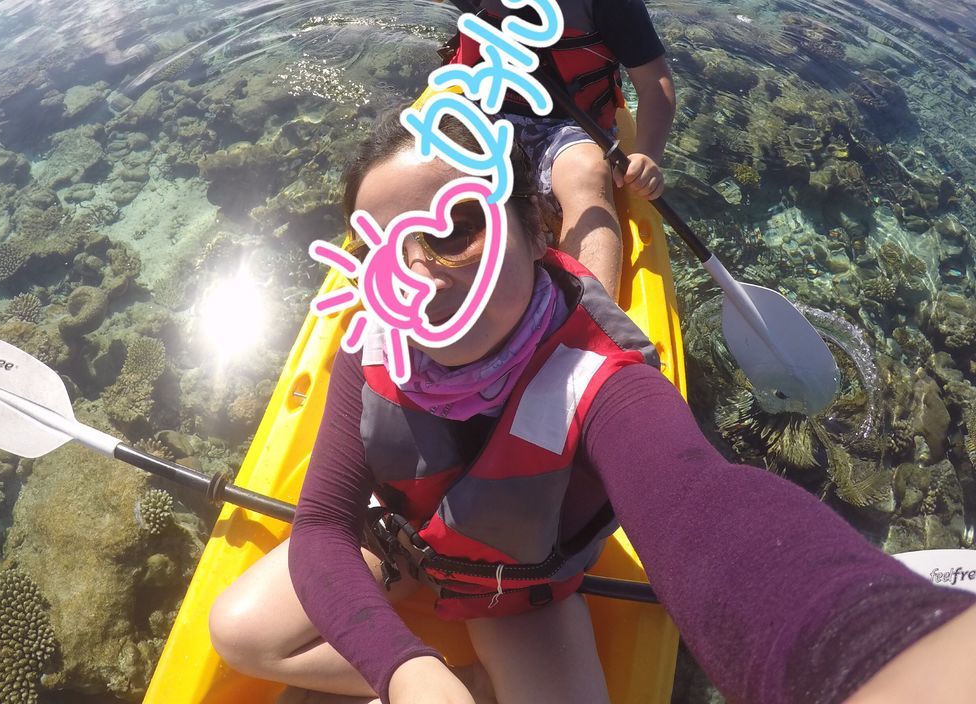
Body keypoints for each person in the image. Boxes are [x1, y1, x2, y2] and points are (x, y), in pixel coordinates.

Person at [208, 108, 976, 704]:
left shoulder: (607, 386)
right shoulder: (370, 341)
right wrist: (407, 669)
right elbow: (321, 528)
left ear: (539, 229)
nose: (417, 276)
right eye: (381, 248)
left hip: (517, 594)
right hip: (407, 543)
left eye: (458, 229)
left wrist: (870, 649)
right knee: (239, 631)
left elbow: (703, 511)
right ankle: (470, 684)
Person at [377, 0, 675, 299]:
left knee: (589, 176)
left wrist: (647, 154)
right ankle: (421, 284)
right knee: (425, 172)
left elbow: (656, 85)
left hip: (568, 125)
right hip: (487, 110)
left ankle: (590, 326)